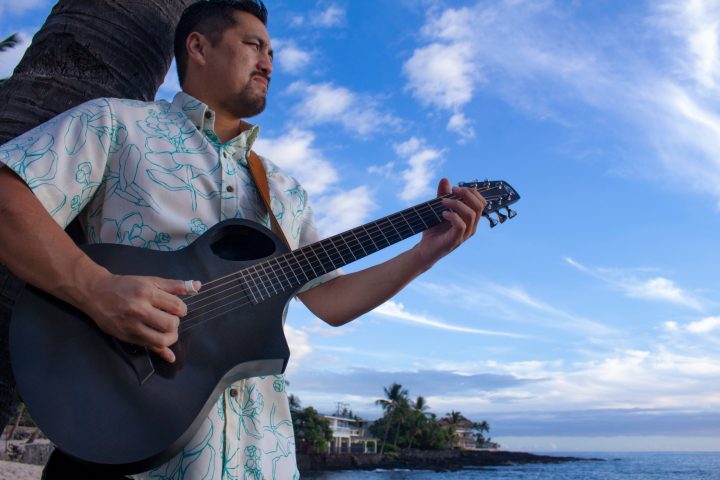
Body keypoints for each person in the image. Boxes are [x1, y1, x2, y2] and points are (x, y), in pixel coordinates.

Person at [0, 1, 487, 478]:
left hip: (263, 457)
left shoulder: (284, 190)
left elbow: (330, 301)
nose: (269, 62)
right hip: (137, 447)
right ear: (198, 46)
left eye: (273, 52)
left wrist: (425, 253)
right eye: (254, 45)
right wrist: (95, 288)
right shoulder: (117, 124)